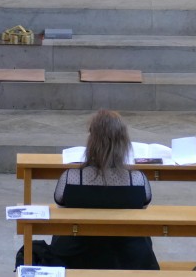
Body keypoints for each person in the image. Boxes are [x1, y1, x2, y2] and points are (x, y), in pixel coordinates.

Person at [19, 109, 159, 270]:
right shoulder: (137, 180)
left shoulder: (71, 178)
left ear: (92, 141)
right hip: (129, 259)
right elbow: (143, 205)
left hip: (75, 257)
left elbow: (61, 204)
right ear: (123, 142)